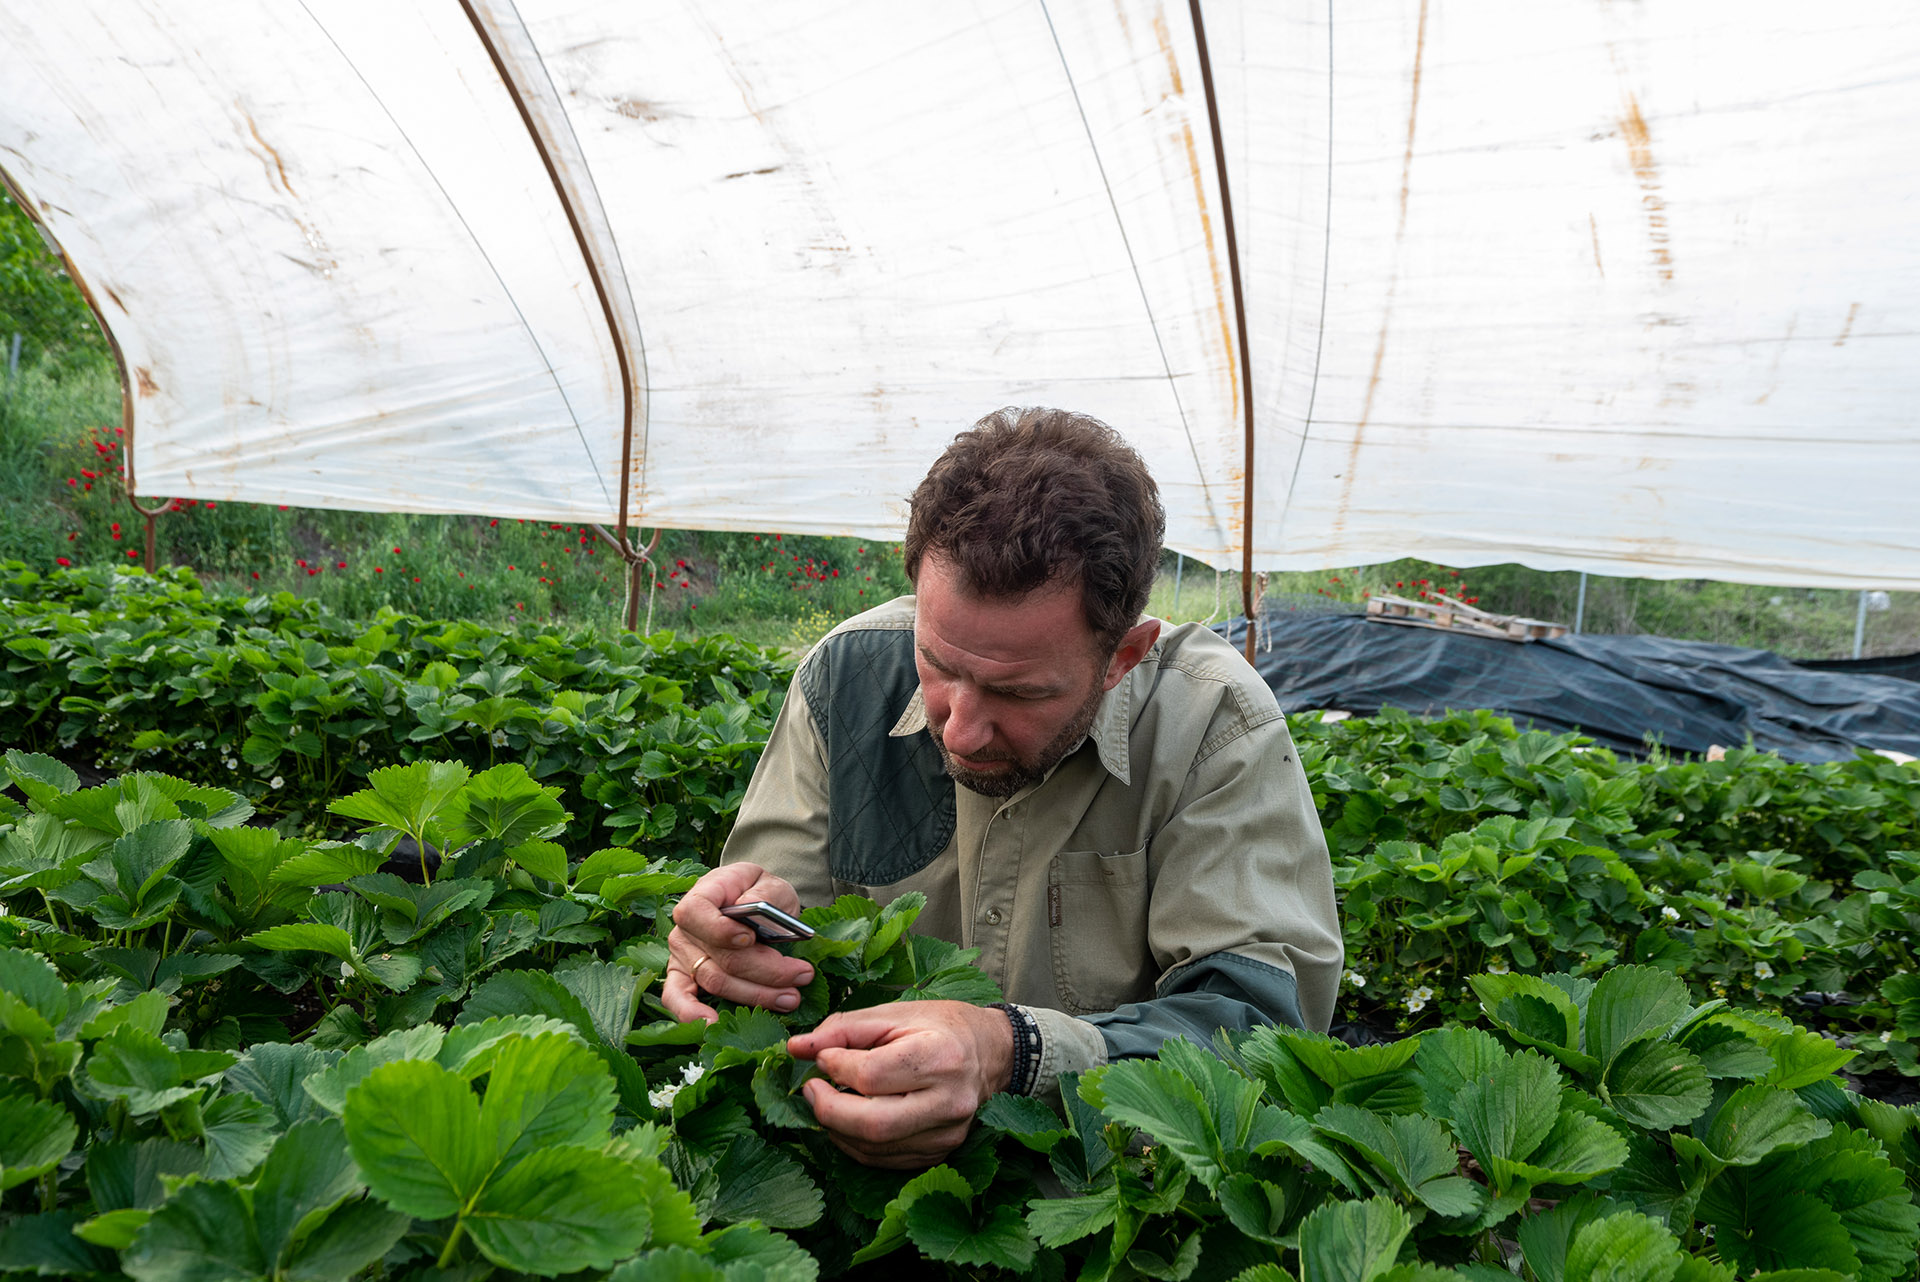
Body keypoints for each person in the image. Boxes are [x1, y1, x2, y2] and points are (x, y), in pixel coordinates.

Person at [664, 407, 1341, 1168]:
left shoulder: (1213, 724)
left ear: (1124, 655)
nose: (959, 731)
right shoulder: (846, 680)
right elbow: (768, 929)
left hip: (1099, 1182)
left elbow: (1265, 1035)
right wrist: (729, 949)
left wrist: (1015, 1054)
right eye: (937, 665)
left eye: (1019, 693)